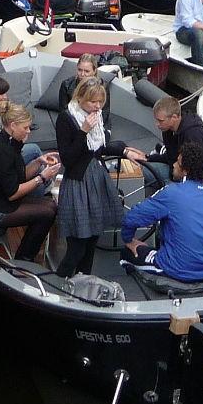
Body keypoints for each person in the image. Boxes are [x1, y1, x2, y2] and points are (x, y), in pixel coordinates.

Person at [120, 141, 203, 283]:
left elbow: (131, 218)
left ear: (186, 171)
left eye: (177, 162)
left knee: (126, 253)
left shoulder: (171, 193)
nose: (174, 165)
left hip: (177, 270)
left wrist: (129, 240)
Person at [55, 77, 126, 277]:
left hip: (96, 179)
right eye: (92, 102)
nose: (96, 106)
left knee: (92, 239)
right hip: (77, 183)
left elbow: (99, 149)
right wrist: (83, 131)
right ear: (79, 98)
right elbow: (68, 159)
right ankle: (60, 284)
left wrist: (124, 150)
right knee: (78, 245)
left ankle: (83, 282)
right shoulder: (66, 118)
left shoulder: (97, 117)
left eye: (100, 102)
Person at [0, 104, 59, 262]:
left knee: (51, 206)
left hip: (0, 197)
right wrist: (42, 178)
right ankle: (23, 260)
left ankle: (25, 255)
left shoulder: (12, 145)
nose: (28, 131)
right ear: (13, 126)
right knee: (46, 214)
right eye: (25, 127)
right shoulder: (2, 151)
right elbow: (12, 194)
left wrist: (39, 162)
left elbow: (20, 176)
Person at [125, 95, 203, 193]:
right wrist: (148, 158)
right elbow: (171, 155)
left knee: (166, 195)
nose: (157, 124)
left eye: (160, 121)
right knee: (139, 170)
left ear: (174, 117)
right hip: (172, 172)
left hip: (188, 185)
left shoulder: (193, 135)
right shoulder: (167, 129)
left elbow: (198, 171)